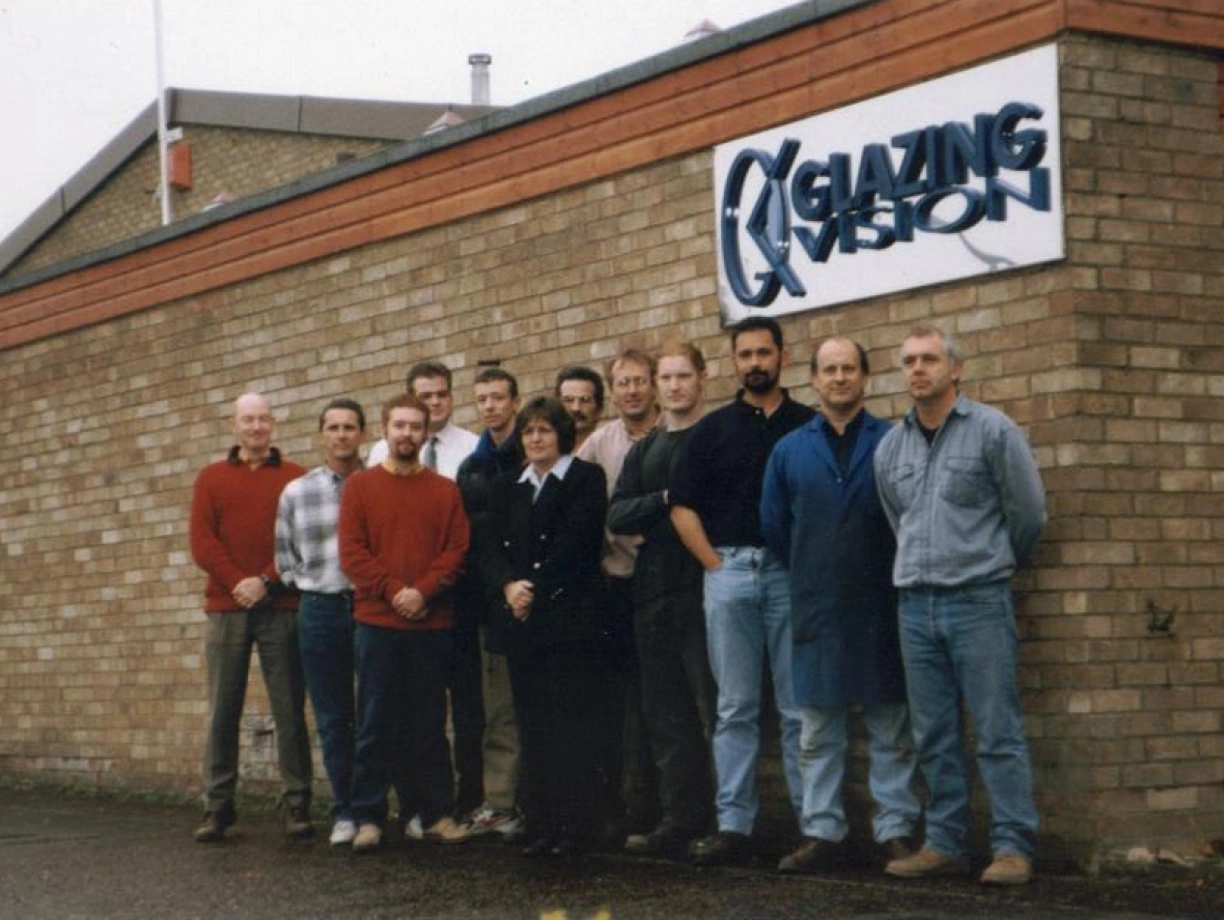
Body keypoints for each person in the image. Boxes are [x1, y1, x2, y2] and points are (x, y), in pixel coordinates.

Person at [873, 325, 1046, 886]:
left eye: (929, 359)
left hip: (977, 600)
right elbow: (898, 520)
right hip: (914, 605)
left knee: (997, 730)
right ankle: (945, 842)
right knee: (934, 734)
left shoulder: (993, 432)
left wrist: (986, 561)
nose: (917, 368)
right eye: (909, 361)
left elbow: (1027, 516)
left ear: (956, 370)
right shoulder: (890, 447)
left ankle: (1013, 847)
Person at [760, 338, 921, 873]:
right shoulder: (788, 450)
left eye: (849, 368)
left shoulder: (894, 441)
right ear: (813, 379)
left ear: (866, 377)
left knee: (889, 727)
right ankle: (822, 831)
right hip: (816, 605)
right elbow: (775, 527)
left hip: (880, 602)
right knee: (817, 730)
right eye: (829, 369)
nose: (839, 378)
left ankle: (895, 829)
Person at [669, 316, 814, 865]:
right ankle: (734, 825)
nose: (755, 362)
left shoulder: (807, 425)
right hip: (728, 570)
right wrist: (715, 565)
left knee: (800, 707)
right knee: (735, 707)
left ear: (782, 355)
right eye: (745, 354)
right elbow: (682, 507)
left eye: (763, 353)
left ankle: (813, 828)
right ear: (734, 362)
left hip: (789, 575)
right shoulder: (712, 430)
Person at [338, 393, 471, 852]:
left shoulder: (444, 491)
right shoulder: (359, 487)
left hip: (431, 625)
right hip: (377, 622)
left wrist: (424, 592)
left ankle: (434, 813)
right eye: (399, 426)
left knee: (430, 723)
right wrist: (396, 592)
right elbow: (353, 553)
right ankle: (369, 817)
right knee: (375, 722)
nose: (407, 434)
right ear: (385, 428)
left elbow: (456, 550)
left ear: (425, 432)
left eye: (416, 427)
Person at [481, 397, 608, 857]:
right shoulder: (505, 486)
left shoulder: (584, 479)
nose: (535, 439)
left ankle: (574, 826)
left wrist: (531, 588)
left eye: (545, 431)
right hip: (522, 622)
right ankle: (541, 822)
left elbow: (578, 544)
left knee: (570, 725)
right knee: (532, 725)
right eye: (529, 431)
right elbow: (491, 547)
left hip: (566, 619)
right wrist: (507, 586)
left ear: (562, 435)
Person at [608, 341, 717, 858]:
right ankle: (680, 818)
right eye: (666, 378)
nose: (674, 386)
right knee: (666, 713)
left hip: (704, 589)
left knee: (714, 708)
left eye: (682, 376)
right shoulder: (645, 450)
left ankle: (727, 820)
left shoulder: (717, 436)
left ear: (701, 378)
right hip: (651, 594)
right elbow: (619, 514)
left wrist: (665, 512)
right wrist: (669, 501)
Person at [189, 392, 313, 843]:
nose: (256, 427)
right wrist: (239, 583)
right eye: (248, 419)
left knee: (289, 710)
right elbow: (203, 542)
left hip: (281, 607)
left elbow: (302, 544)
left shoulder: (297, 478)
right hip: (226, 609)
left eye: (263, 419)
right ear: (233, 424)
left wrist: (265, 581)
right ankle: (217, 808)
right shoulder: (211, 479)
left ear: (274, 424)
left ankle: (298, 805)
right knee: (223, 710)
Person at [369, 361, 483, 826]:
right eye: (424, 397)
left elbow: (461, 536)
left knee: (454, 709)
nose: (434, 403)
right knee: (394, 711)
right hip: (392, 607)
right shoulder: (379, 456)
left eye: (441, 395)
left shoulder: (472, 448)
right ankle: (408, 806)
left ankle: (462, 803)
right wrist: (400, 592)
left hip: (452, 599)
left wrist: (428, 588)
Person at [577, 348, 661, 844]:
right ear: (613, 391)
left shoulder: (668, 435)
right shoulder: (598, 444)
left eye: (639, 381)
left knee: (657, 702)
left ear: (653, 385)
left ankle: (657, 808)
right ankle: (623, 808)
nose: (631, 390)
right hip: (614, 586)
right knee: (617, 703)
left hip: (663, 583)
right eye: (623, 382)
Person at [275, 397, 366, 847]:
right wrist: (314, 585)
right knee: (333, 718)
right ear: (321, 435)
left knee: (376, 713)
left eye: (350, 427)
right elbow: (284, 558)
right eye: (333, 427)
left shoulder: (377, 484)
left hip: (371, 608)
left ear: (362, 435)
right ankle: (345, 811)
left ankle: (372, 809)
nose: (342, 435)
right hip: (321, 609)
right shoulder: (296, 491)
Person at [455, 367, 525, 839]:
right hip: (489, 603)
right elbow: (472, 539)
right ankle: (501, 802)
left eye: (498, 397)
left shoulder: (534, 449)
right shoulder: (472, 467)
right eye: (482, 399)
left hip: (535, 597)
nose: (490, 406)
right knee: (499, 710)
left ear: (514, 402)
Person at [555, 365, 605, 452]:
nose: (576, 408)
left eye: (584, 400)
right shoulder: (546, 458)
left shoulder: (612, 452)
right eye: (568, 400)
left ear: (599, 409)